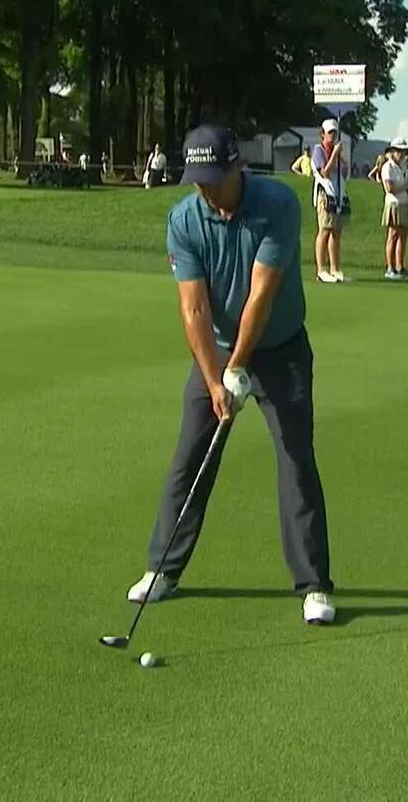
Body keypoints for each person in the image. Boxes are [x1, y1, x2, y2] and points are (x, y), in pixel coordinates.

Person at [127, 123, 336, 626]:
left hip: (280, 348)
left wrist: (239, 367)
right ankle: (163, 570)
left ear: (236, 166)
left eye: (213, 178)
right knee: (191, 455)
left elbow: (261, 295)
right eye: (197, 179)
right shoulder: (184, 219)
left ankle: (314, 585)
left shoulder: (278, 205)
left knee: (294, 458)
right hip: (216, 353)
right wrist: (216, 376)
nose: (205, 188)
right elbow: (194, 310)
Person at [310, 118, 350, 283]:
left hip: (337, 195)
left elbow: (344, 171)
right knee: (324, 230)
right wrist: (334, 154)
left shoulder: (336, 150)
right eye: (330, 133)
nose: (332, 136)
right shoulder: (318, 150)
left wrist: (340, 156)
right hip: (325, 195)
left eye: (335, 133)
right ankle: (321, 270)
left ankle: (335, 268)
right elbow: (324, 172)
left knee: (336, 232)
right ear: (323, 134)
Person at [379, 138, 408, 280]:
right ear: (392, 152)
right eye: (399, 151)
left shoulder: (404, 166)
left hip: (404, 202)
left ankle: (400, 266)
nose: (402, 154)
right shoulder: (388, 167)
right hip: (393, 204)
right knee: (393, 235)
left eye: (403, 152)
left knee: (403, 235)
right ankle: (390, 267)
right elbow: (389, 188)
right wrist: (406, 186)